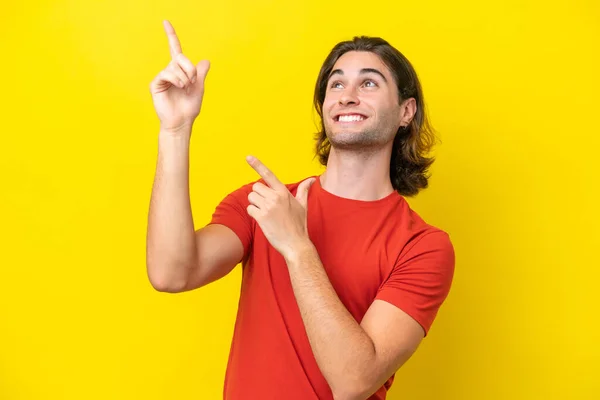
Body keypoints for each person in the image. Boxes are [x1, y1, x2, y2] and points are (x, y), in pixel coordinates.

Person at [146, 20, 455, 400]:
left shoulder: (423, 247)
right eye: (336, 84)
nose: (347, 95)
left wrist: (297, 247)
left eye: (369, 83)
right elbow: (171, 273)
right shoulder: (264, 202)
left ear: (406, 111)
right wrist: (175, 130)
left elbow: (353, 382)